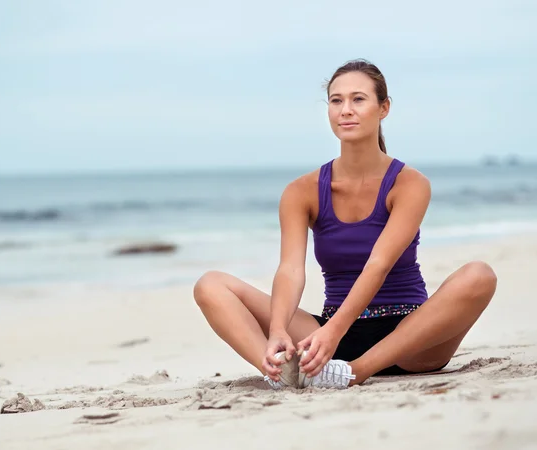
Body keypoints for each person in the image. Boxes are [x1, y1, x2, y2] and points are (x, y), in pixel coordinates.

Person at [192, 59, 497, 389]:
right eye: (336, 100)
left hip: (410, 340)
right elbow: (291, 270)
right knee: (211, 285)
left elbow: (378, 265)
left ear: (384, 108)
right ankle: (278, 373)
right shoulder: (301, 191)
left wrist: (334, 331)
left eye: (358, 99)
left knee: (479, 276)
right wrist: (279, 328)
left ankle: (356, 372)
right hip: (328, 337)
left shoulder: (409, 184)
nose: (345, 110)